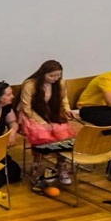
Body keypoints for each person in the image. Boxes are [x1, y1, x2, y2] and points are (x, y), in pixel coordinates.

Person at [17, 60, 76, 188]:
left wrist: (67, 110)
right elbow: (27, 107)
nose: (55, 78)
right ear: (43, 73)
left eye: (58, 75)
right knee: (42, 134)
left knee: (63, 133)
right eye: (52, 76)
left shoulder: (60, 83)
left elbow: (63, 99)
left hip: (51, 112)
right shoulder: (30, 84)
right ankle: (37, 165)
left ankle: (61, 165)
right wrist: (43, 123)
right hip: (32, 114)